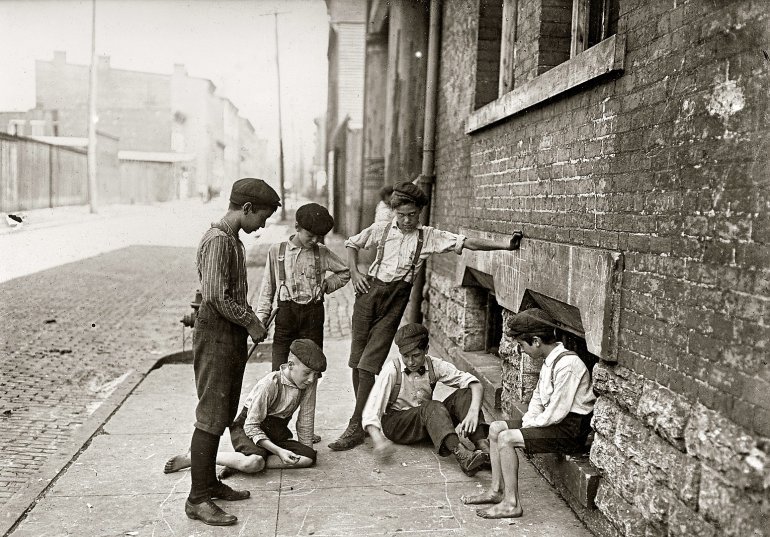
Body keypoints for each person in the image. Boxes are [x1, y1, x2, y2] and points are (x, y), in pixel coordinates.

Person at [328, 180, 523, 451]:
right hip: (367, 296)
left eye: (412, 215)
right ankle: (363, 419)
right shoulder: (382, 229)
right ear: (394, 212)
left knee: (368, 364)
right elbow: (352, 244)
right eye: (402, 215)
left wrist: (504, 245)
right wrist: (356, 273)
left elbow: (467, 243)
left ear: (420, 213)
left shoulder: (428, 236)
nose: (407, 220)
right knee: (356, 362)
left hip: (394, 302)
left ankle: (355, 425)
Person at [184, 177, 279, 527]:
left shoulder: (232, 240)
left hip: (229, 335)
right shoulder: (219, 241)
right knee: (210, 416)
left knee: (222, 411)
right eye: (263, 218)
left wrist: (245, 324)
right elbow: (215, 296)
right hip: (217, 335)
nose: (263, 225)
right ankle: (197, 499)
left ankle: (209, 483)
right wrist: (252, 321)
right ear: (247, 209)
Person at [460, 308, 596, 519]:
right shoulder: (549, 361)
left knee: (507, 438)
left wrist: (525, 429)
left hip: (570, 430)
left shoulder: (569, 365)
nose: (521, 350)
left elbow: (555, 414)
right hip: (554, 422)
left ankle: (511, 504)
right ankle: (496, 491)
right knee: (496, 428)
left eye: (522, 345)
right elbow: (538, 400)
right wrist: (528, 422)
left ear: (536, 341)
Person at [164, 339, 326, 479]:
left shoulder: (307, 384)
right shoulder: (270, 384)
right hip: (248, 429)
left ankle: (237, 462)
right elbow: (251, 425)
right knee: (254, 462)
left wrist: (305, 449)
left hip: (275, 433)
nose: (312, 379)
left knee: (307, 458)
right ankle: (196, 458)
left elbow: (305, 418)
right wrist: (278, 451)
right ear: (291, 365)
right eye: (307, 373)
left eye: (315, 374)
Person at [363, 323, 490, 475]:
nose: (410, 362)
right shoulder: (392, 370)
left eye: (416, 355)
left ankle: (483, 448)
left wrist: (472, 413)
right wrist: (379, 441)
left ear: (426, 350)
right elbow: (371, 411)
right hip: (398, 425)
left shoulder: (435, 365)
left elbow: (475, 384)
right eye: (406, 356)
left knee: (465, 394)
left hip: (426, 422)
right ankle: (463, 456)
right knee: (432, 406)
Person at [255, 202, 350, 373]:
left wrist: (327, 284)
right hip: (285, 316)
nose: (314, 240)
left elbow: (344, 273)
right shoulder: (277, 251)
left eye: (319, 237)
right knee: (280, 369)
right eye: (310, 235)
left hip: (312, 317)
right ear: (297, 227)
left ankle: (308, 400)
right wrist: (262, 319)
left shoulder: (322, 252)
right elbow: (268, 288)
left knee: (311, 369)